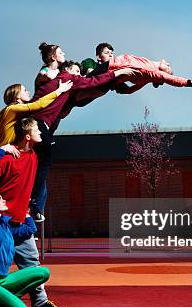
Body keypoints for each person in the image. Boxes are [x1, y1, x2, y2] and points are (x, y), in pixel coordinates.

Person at [29, 42, 138, 221]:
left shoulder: (67, 77)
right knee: (43, 164)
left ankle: (37, 206)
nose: (64, 52)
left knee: (41, 165)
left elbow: (96, 83)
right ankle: (33, 200)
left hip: (46, 125)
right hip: (38, 122)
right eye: (60, 52)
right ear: (54, 57)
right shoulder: (54, 74)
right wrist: (115, 72)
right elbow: (91, 79)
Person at [0, 118, 65, 307]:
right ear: (28, 136)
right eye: (37, 130)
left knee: (32, 263)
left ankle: (40, 302)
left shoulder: (34, 156)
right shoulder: (6, 158)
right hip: (0, 223)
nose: (42, 133)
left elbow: (46, 141)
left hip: (20, 221)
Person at [0, 179, 50, 307]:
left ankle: (1, 302)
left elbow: (30, 229)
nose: (4, 201)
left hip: (4, 279)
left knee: (43, 272)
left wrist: (26, 214)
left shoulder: (6, 225)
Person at [0, 78, 72, 150]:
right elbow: (38, 104)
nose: (28, 92)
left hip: (9, 152)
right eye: (25, 90)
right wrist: (59, 90)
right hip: (1, 154)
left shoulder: (17, 111)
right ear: (17, 95)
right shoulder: (12, 109)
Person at [86, 42, 192, 88]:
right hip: (113, 69)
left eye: (169, 68)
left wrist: (189, 82)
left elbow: (170, 79)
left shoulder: (152, 71)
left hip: (111, 68)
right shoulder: (149, 64)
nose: (168, 63)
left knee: (87, 79)